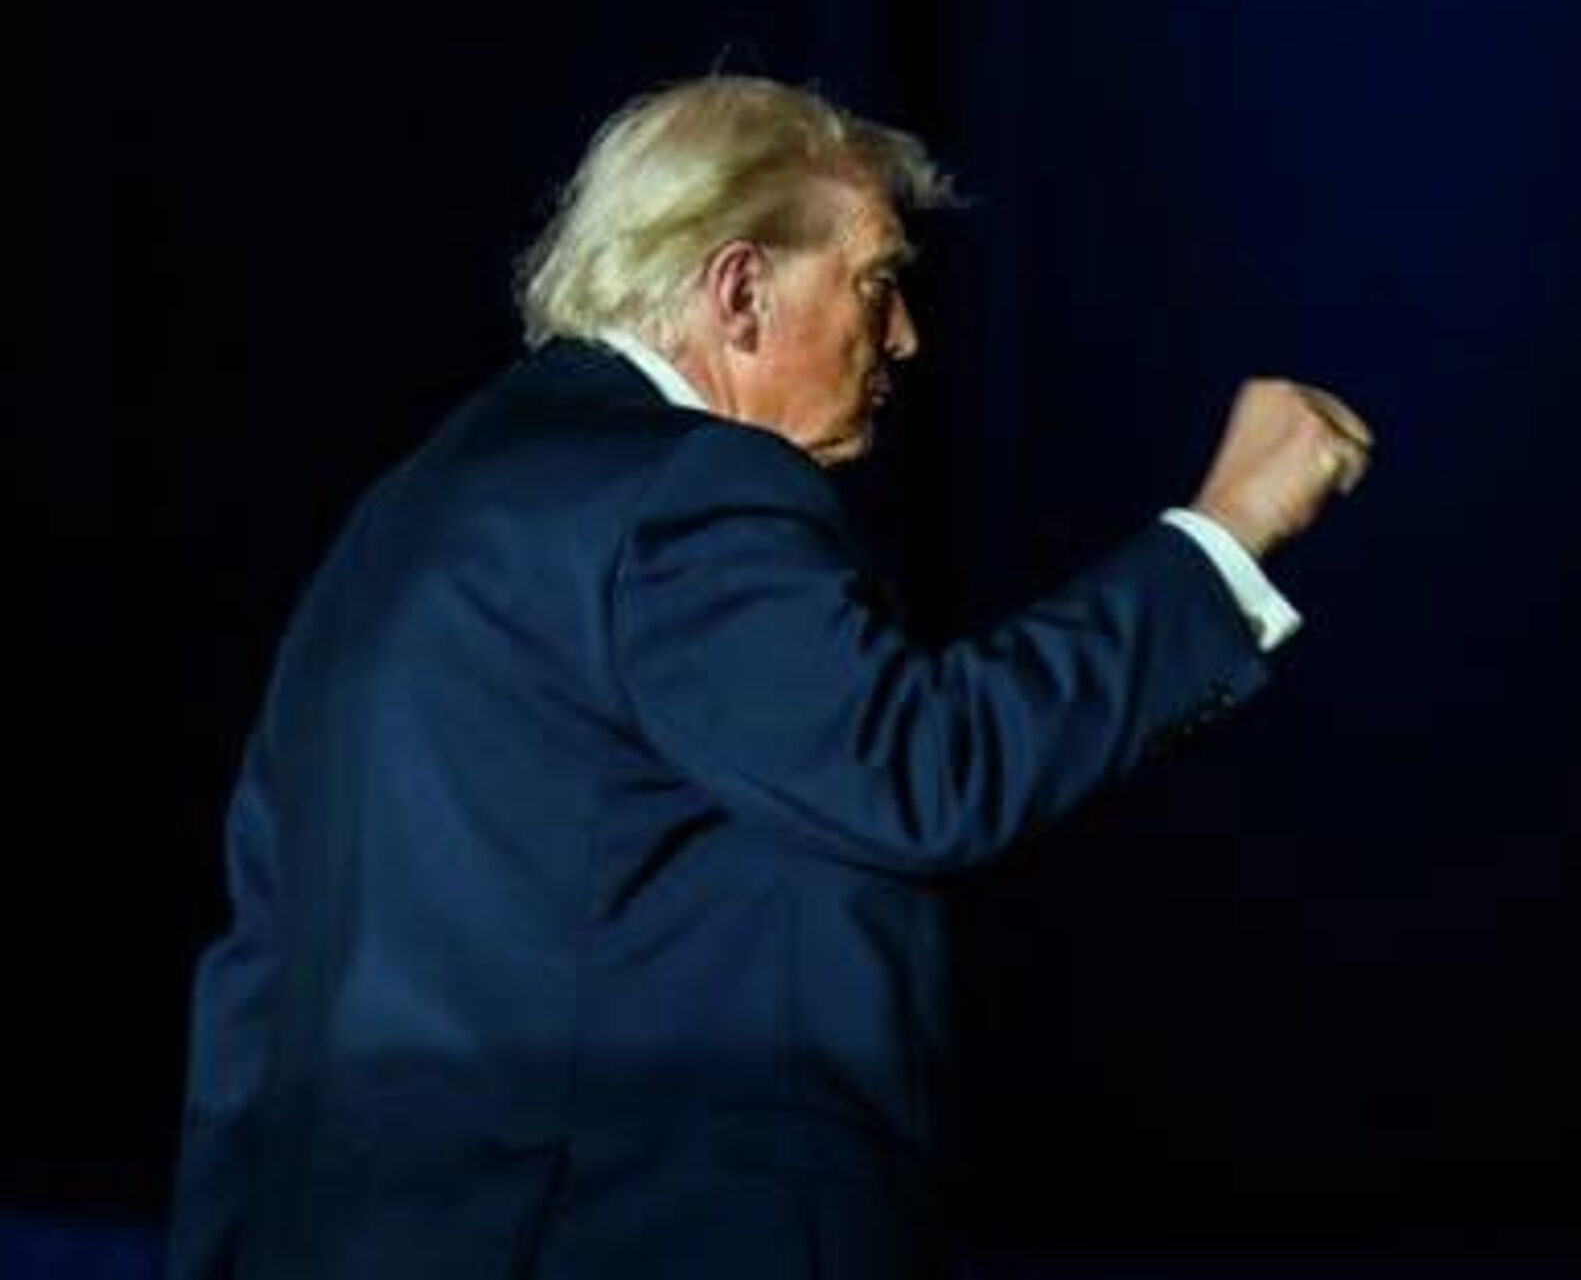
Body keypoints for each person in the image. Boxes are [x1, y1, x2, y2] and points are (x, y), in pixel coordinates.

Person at [164, 75, 1373, 1280]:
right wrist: (1223, 538)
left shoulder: (388, 533)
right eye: (878, 282)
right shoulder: (684, 488)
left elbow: (255, 982)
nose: (907, 337)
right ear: (739, 292)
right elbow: (920, 769)